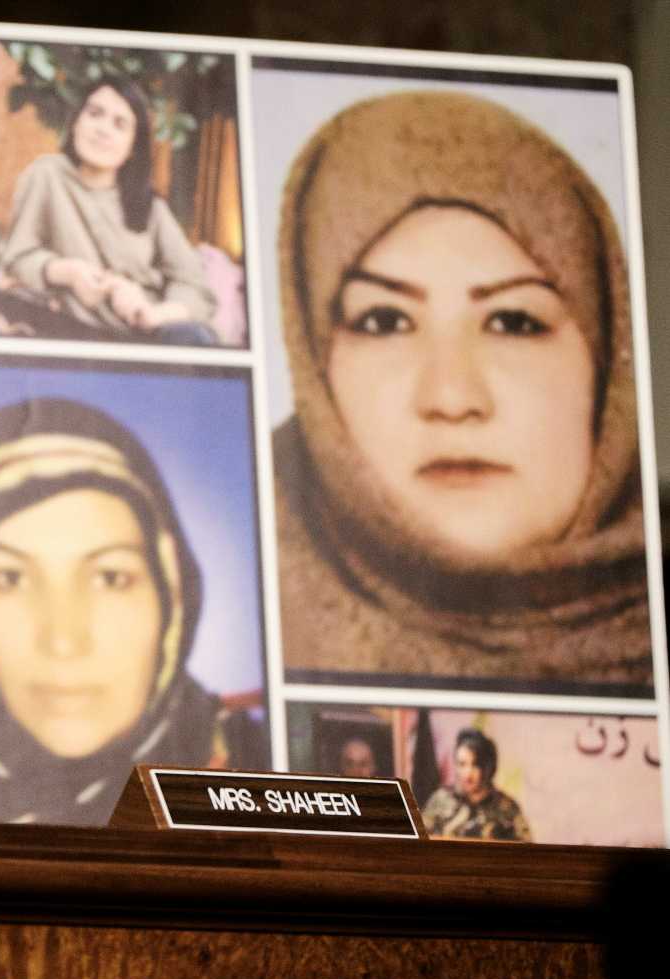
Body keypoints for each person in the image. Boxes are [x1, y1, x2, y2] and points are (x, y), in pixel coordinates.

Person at [272, 90, 649, 690]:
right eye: (384, 321)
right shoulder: (235, 612)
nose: (452, 398)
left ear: (606, 367)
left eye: (513, 322)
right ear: (316, 369)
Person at [0, 397, 261, 826]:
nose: (63, 640)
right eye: (8, 578)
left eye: (109, 577)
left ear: (171, 598)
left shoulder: (259, 771)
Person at [0, 76, 217, 345]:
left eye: (120, 124)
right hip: (78, 336)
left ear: (132, 148)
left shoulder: (151, 207)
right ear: (77, 122)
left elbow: (196, 287)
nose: (103, 129)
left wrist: (149, 313)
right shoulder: (47, 175)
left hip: (150, 337)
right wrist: (69, 272)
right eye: (95, 114)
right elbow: (16, 258)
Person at [421, 728, 531, 841]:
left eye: (475, 765)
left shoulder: (507, 808)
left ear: (487, 766)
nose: (468, 773)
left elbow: (526, 851)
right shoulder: (440, 799)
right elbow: (419, 843)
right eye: (462, 764)